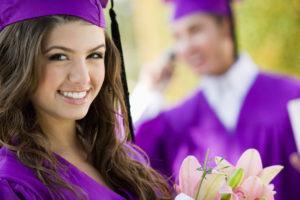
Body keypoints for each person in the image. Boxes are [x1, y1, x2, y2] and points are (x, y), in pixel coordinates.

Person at [0, 0, 172, 199]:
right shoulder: (12, 183)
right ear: (18, 63)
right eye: (59, 57)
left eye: (94, 55)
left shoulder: (123, 158)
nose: (83, 77)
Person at [134, 0, 300, 199]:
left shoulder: (291, 96)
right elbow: (133, 166)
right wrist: (149, 92)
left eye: (195, 30)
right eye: (177, 37)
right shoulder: (175, 123)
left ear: (225, 26)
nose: (186, 47)